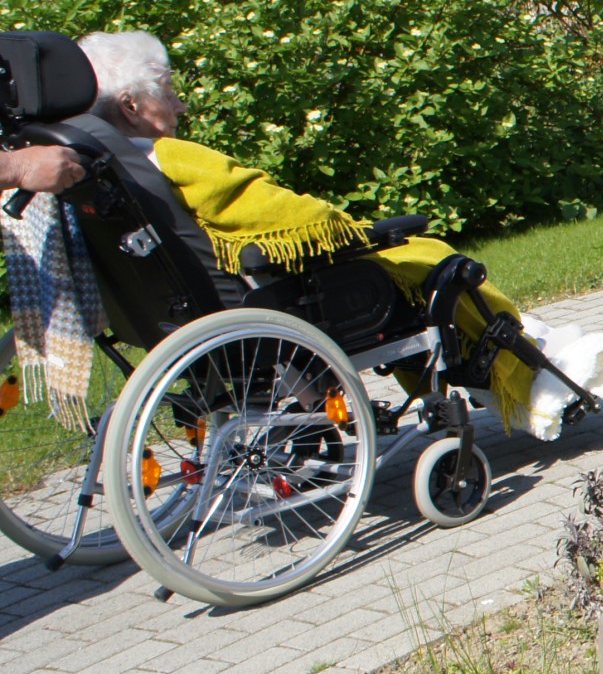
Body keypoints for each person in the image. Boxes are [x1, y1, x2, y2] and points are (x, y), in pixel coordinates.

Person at [5, 32, 560, 430]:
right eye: (168, 90)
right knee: (427, 260)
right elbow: (284, 215)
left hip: (164, 322)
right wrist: (357, 230)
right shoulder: (169, 158)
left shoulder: (85, 158)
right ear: (131, 105)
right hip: (254, 309)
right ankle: (521, 376)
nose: (180, 104)